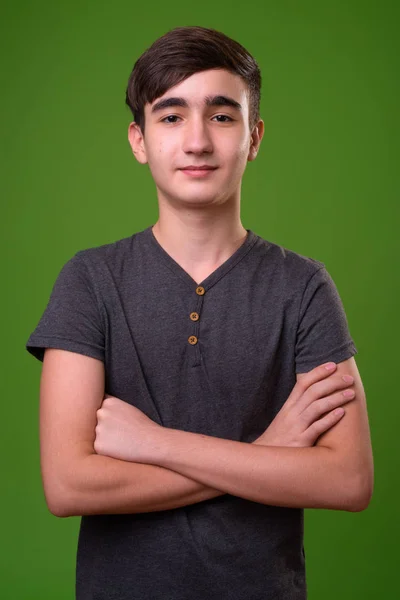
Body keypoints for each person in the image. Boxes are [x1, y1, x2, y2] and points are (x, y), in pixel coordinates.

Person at [25, 25, 373, 600]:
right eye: (170, 116)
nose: (196, 142)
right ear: (138, 140)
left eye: (220, 115)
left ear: (253, 137)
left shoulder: (304, 286)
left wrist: (156, 443)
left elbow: (349, 479)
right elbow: (68, 486)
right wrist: (266, 457)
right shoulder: (90, 281)